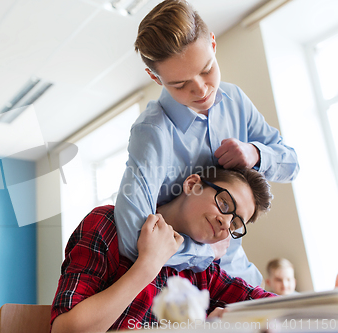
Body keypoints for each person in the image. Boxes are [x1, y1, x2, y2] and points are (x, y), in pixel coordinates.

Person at [114, 0, 299, 287]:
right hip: (187, 288)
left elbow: (292, 164)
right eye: (179, 83)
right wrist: (203, 252)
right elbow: (131, 238)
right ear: (155, 77)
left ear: (212, 44)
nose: (201, 89)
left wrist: (255, 154)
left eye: (207, 68)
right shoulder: (152, 133)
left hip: (242, 275)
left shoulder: (235, 100)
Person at [51, 168, 276, 332]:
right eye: (225, 205)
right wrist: (148, 264)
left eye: (235, 224)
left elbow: (271, 304)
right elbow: (65, 330)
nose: (226, 223)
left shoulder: (203, 269)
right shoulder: (108, 224)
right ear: (192, 185)